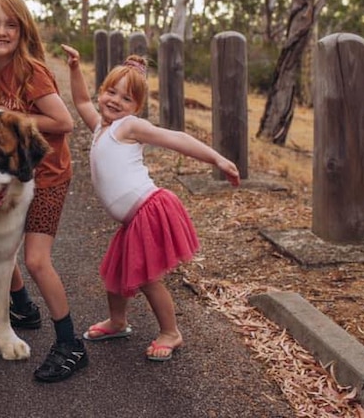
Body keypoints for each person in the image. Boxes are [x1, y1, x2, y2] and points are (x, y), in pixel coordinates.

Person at [60, 44, 240, 362]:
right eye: (111, 92)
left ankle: (171, 332)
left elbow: (177, 138)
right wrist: (75, 68)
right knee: (116, 271)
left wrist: (218, 159)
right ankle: (117, 321)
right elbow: (81, 100)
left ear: (137, 107)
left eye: (126, 98)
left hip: (149, 210)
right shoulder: (101, 127)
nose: (115, 101)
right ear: (102, 91)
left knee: (145, 278)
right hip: (133, 219)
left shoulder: (129, 126)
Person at [0, 0, 87, 383]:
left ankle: (71, 344)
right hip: (15, 173)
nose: (1, 31)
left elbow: (64, 122)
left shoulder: (30, 70)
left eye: (10, 24)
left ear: (23, 30)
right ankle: (21, 307)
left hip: (48, 174)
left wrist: (11, 114)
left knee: (37, 260)